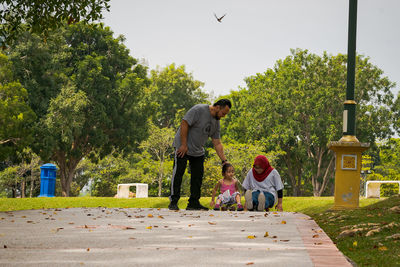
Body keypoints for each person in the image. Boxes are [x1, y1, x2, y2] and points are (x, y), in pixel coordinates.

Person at [168, 99, 232, 211]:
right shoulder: (199, 110)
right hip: (183, 148)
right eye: (223, 113)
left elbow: (217, 142)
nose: (224, 116)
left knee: (197, 176)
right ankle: (173, 201)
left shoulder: (216, 122)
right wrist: (183, 145)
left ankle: (193, 203)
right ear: (218, 107)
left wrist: (224, 161)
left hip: (197, 150)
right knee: (178, 172)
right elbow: (184, 123)